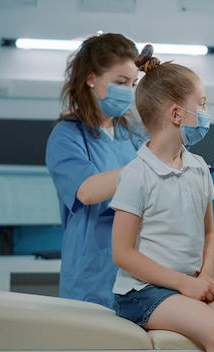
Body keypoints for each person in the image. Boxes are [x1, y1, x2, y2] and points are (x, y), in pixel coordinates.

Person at [110, 45, 214, 352]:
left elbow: (209, 233)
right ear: (177, 114)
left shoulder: (198, 167)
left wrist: (205, 277)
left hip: (191, 281)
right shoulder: (136, 174)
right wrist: (185, 284)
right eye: (203, 104)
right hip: (142, 291)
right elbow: (123, 253)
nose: (207, 113)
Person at [46, 33, 147, 309]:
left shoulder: (133, 135)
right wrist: (147, 166)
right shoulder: (67, 135)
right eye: (120, 82)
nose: (128, 90)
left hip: (138, 264)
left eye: (133, 83)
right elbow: (87, 191)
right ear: (92, 79)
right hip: (91, 269)